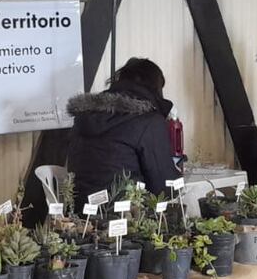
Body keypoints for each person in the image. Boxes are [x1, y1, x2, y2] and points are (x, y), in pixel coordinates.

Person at [66, 57, 181, 203]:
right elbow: (165, 188)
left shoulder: (85, 116)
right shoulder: (148, 121)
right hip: (126, 212)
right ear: (155, 88)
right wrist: (178, 176)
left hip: (78, 209)